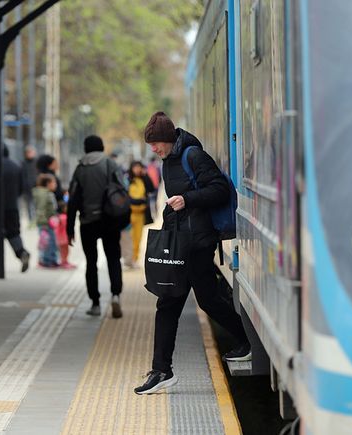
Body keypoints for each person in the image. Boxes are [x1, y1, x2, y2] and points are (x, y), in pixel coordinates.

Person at [134, 112, 250, 395]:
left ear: (168, 139)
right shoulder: (168, 161)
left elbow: (220, 190)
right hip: (182, 241)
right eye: (151, 145)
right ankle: (163, 369)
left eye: (156, 143)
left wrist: (187, 199)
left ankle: (244, 342)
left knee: (191, 301)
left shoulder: (193, 155)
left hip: (198, 243)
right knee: (183, 301)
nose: (153, 149)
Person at [67, 135, 124, 318]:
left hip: (87, 222)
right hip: (110, 220)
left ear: (85, 148)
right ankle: (115, 295)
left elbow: (73, 200)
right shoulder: (110, 164)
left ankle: (95, 303)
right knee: (113, 258)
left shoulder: (80, 169)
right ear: (101, 147)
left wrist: (69, 227)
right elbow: (121, 189)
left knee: (91, 263)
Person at [0, 146, 31, 272]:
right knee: (13, 233)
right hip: (12, 207)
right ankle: (22, 253)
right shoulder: (17, 166)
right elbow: (23, 187)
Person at [127, 161, 155, 268]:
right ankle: (128, 258)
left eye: (139, 167)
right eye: (135, 167)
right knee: (129, 238)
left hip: (141, 214)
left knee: (138, 238)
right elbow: (126, 197)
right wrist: (139, 201)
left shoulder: (143, 179)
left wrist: (145, 174)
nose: (137, 169)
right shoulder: (128, 180)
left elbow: (151, 189)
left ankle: (134, 259)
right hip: (129, 214)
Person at [34, 173, 59, 268]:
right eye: (54, 183)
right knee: (49, 242)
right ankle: (48, 260)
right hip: (46, 223)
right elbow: (43, 209)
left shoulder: (42, 193)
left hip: (45, 222)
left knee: (45, 241)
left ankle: (48, 259)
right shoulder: (46, 195)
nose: (55, 185)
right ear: (48, 184)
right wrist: (46, 221)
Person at [53, 201, 75, 269]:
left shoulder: (60, 217)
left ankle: (65, 261)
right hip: (63, 238)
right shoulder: (64, 217)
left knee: (64, 251)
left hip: (61, 238)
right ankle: (64, 262)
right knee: (65, 251)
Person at [21, 145, 39, 225]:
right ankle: (31, 220)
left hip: (36, 187)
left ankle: (36, 219)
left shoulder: (36, 163)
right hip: (27, 188)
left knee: (36, 205)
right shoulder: (23, 163)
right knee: (29, 205)